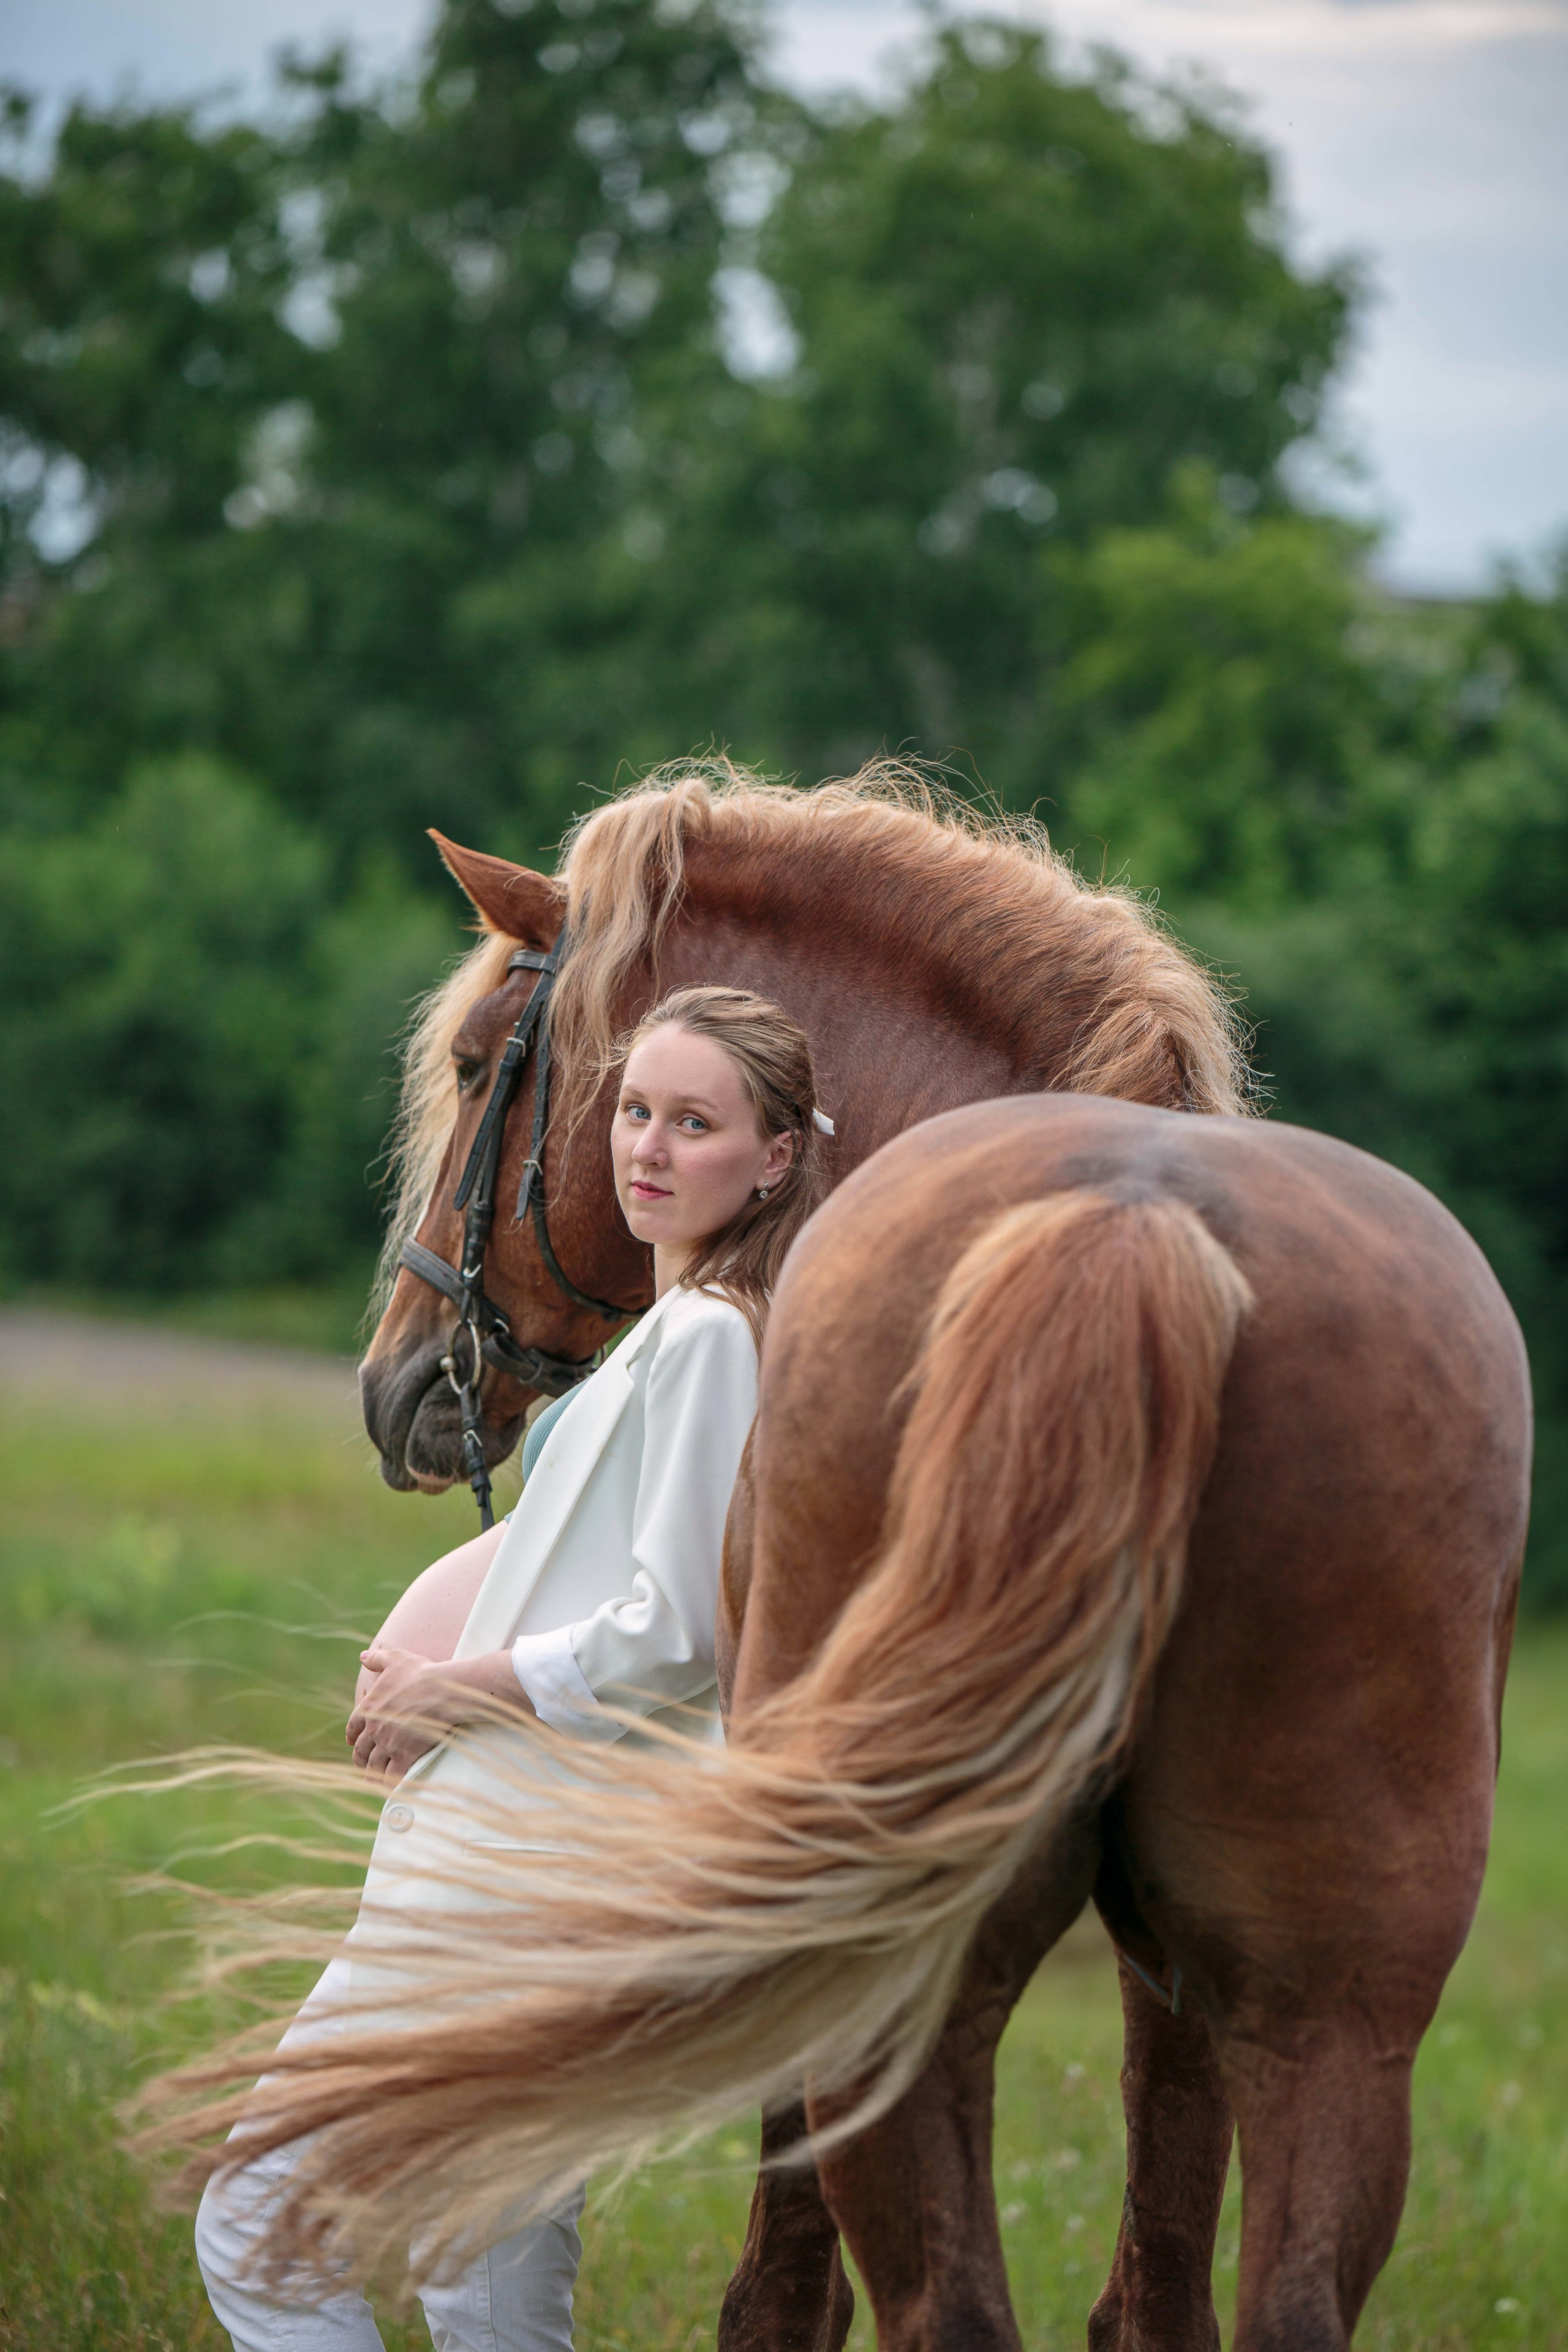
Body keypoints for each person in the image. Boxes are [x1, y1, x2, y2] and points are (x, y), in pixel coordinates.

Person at [194, 984, 829, 2352]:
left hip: (529, 1856)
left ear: (775, 1157)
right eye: (637, 1111)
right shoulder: (656, 1336)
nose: (648, 1148)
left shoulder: (714, 1336)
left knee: (256, 2221)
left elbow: (684, 1627)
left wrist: (454, 1690)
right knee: (479, 2282)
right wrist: (429, 1634)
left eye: (697, 1124)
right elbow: (578, 1550)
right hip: (509, 1843)